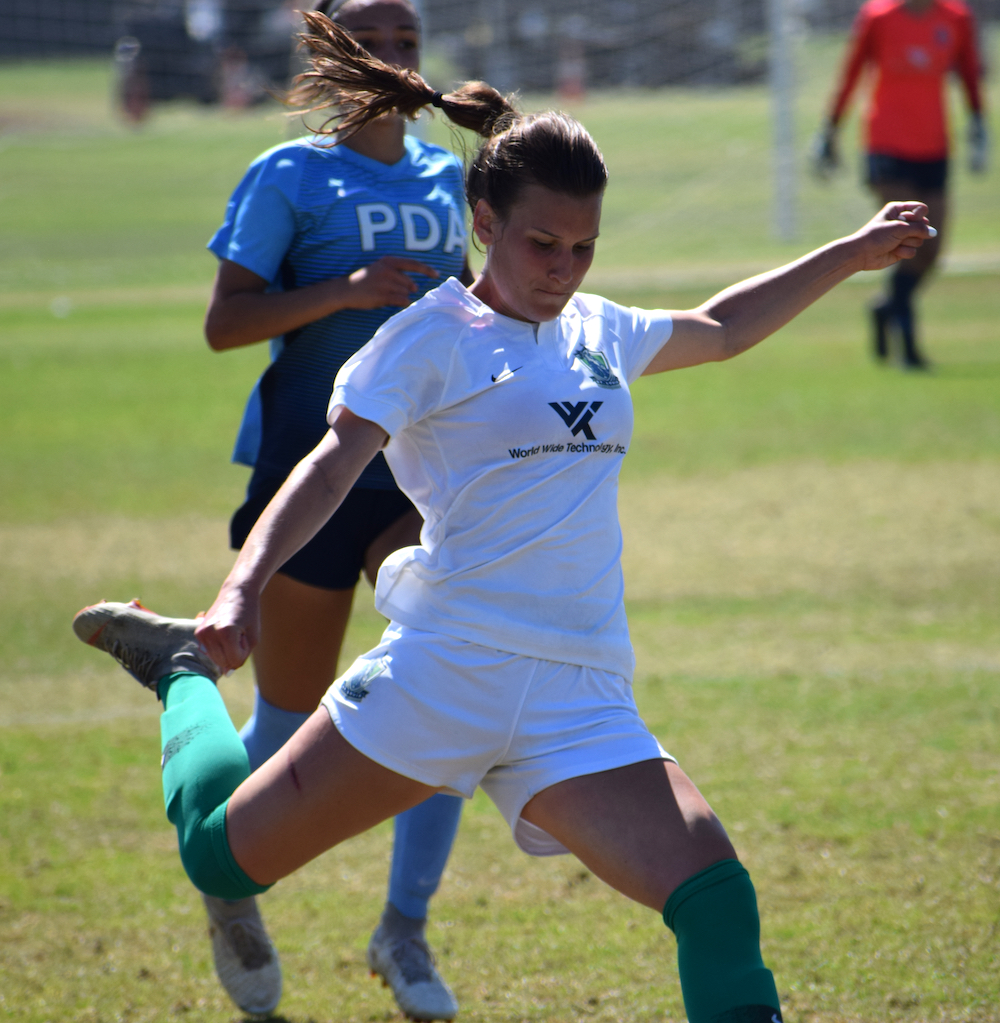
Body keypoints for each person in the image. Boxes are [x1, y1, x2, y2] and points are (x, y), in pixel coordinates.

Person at [73, 13, 935, 1022]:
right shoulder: (425, 338)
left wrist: (849, 250)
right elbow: (325, 467)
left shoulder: (598, 329)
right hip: (445, 672)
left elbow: (720, 325)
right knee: (218, 853)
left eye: (582, 245)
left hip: (579, 690)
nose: (562, 266)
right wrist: (238, 592)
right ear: (482, 221)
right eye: (540, 242)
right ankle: (178, 674)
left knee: (713, 900)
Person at [199, 0, 469, 1016]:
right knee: (281, 725)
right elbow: (227, 324)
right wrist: (346, 288)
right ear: (329, 55)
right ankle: (229, 890)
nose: (396, 55)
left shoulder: (452, 178)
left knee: (450, 683)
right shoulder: (289, 175)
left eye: (407, 39)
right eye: (372, 37)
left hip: (420, 480)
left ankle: (403, 933)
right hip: (307, 478)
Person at [812, 0, 986, 370]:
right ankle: (907, 348)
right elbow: (851, 72)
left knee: (932, 250)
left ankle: (885, 308)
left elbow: (970, 73)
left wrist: (978, 126)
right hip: (885, 144)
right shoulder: (878, 16)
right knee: (905, 237)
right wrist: (830, 131)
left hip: (935, 145)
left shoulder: (955, 18)